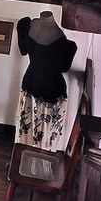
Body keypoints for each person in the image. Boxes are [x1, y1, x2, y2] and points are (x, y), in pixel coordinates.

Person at [15, 11, 77, 151]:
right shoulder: (66, 45)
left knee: (31, 129)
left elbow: (24, 50)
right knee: (37, 131)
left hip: (43, 88)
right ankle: (26, 160)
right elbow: (63, 68)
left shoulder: (66, 45)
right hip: (45, 88)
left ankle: (34, 162)